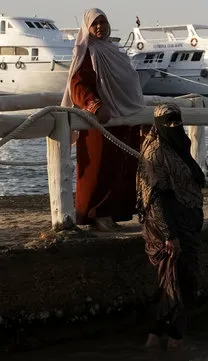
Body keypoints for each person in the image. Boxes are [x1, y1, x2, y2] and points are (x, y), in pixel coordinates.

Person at [61, 8, 145, 231]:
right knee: (99, 168)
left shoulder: (115, 51)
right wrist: (95, 106)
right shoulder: (86, 52)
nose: (100, 26)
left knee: (123, 166)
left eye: (103, 22)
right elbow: (77, 84)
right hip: (100, 123)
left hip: (125, 118)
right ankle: (95, 214)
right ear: (87, 27)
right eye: (95, 23)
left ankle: (114, 212)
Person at [136, 103, 206, 349]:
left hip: (186, 225)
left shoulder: (179, 146)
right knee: (176, 284)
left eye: (177, 121)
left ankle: (159, 344)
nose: (174, 126)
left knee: (180, 282)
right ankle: (174, 342)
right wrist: (171, 235)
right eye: (169, 122)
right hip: (169, 228)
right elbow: (155, 198)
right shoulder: (155, 153)